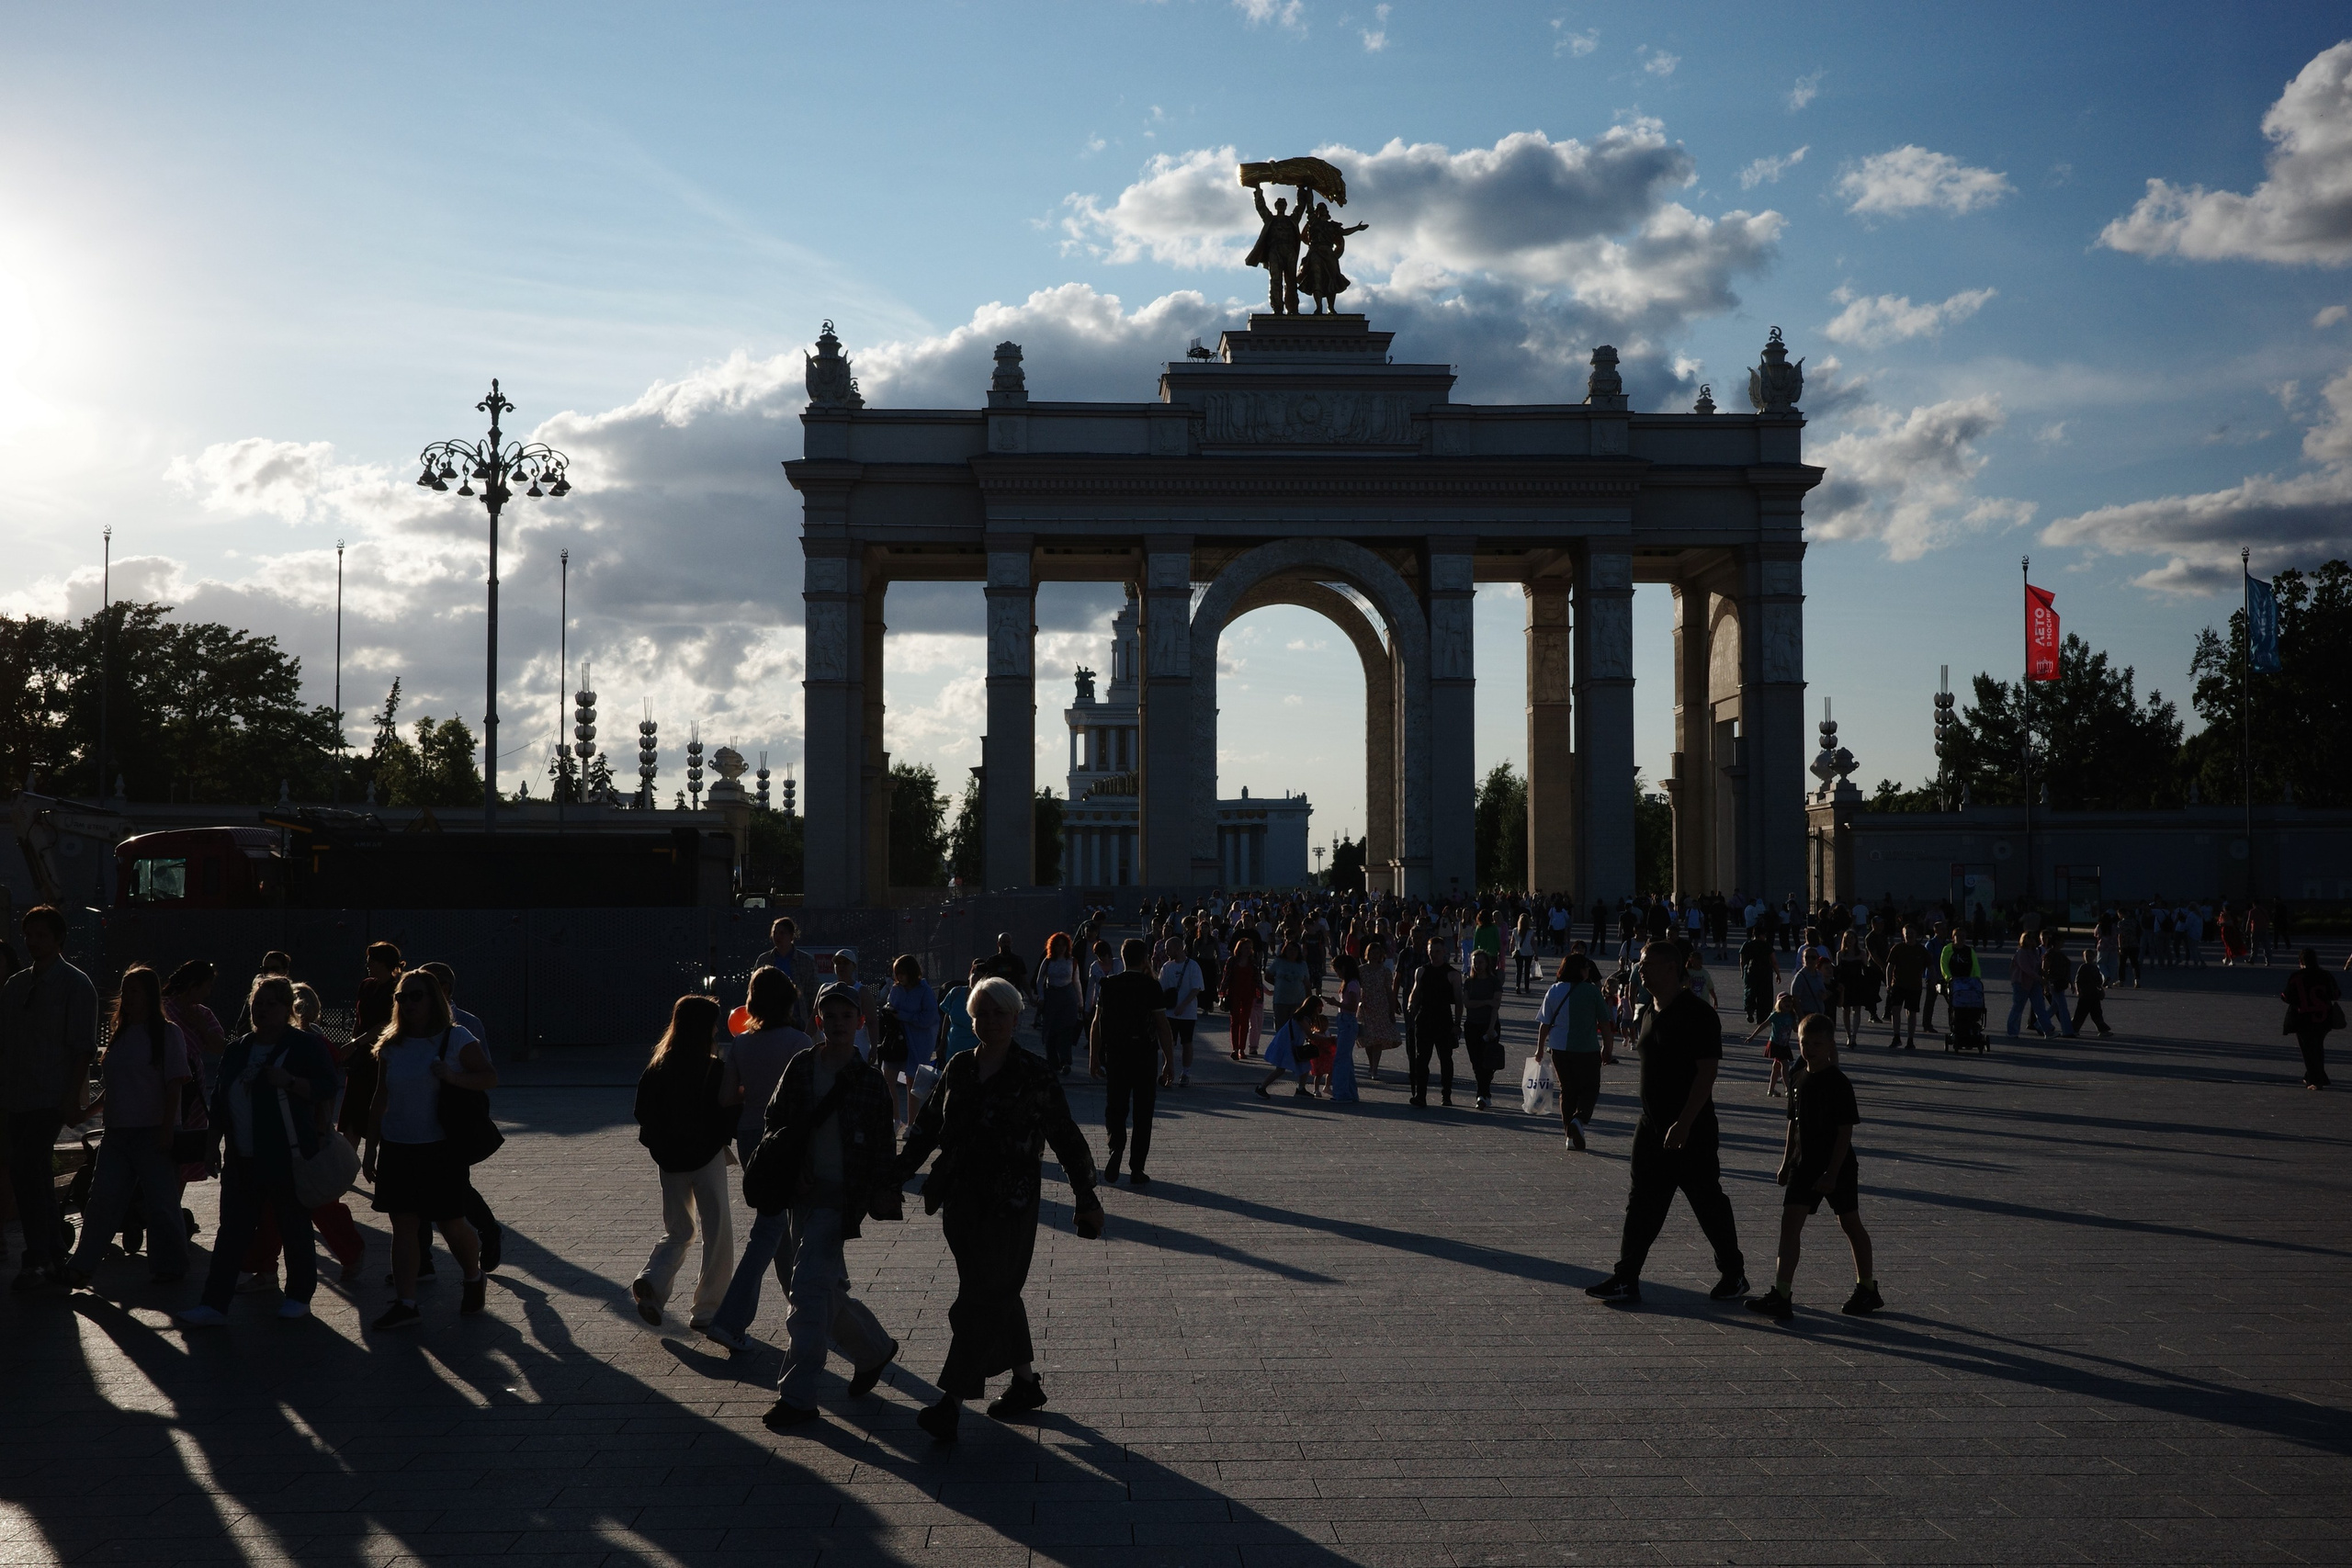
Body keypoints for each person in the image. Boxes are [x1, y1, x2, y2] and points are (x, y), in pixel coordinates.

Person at [897, 976, 1105, 1443]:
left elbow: (1065, 1136)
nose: (990, 1021)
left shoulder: (1035, 1072)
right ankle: (1026, 1384)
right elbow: (927, 1127)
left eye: (999, 1013)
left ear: (1016, 1017)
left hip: (1011, 1202)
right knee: (993, 1291)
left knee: (979, 1299)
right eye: (981, 1013)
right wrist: (894, 1176)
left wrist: (1086, 1196)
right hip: (960, 1201)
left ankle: (950, 1402)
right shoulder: (958, 1067)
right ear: (970, 1019)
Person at [757, 981, 902, 1429]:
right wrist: (791, 1160)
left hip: (839, 1201)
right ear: (818, 1022)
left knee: (805, 1292)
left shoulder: (869, 1081)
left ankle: (798, 1396)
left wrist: (883, 1194)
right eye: (830, 1016)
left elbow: (883, 1143)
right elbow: (774, 1119)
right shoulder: (801, 1066)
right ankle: (874, 1349)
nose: (839, 1024)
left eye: (847, 1016)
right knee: (822, 1291)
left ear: (860, 1022)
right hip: (801, 1195)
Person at [1584, 940, 1747, 1308]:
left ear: (1673, 968)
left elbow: (1707, 1074)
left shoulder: (1698, 1014)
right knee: (1641, 1203)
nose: (1641, 969)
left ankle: (1734, 1273)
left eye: (1648, 964)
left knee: (1707, 1202)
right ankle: (1626, 1278)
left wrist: (1685, 1123)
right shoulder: (1647, 1012)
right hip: (1651, 1127)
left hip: (1692, 1129)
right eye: (1641, 963)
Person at [172, 976, 341, 1326]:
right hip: (241, 1156)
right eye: (258, 1003)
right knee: (232, 1231)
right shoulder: (238, 1048)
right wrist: (211, 1145)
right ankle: (214, 1304)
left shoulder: (304, 1046)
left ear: (288, 1009)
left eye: (271, 1004)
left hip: (286, 1155)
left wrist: (292, 1082)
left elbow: (328, 1085)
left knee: (293, 1226)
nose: (262, 1010)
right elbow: (220, 1100)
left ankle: (298, 1296)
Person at [361, 967, 494, 1330]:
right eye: (401, 997)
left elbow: (488, 1077)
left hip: (440, 1147)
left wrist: (453, 1077)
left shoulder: (455, 1038)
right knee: (403, 1225)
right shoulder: (392, 1044)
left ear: (433, 998)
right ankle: (406, 1303)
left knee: (450, 1222)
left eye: (415, 996)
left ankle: (472, 1275)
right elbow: (380, 1097)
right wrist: (370, 1148)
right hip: (397, 1146)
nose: (407, 1003)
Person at [701, 969, 814, 1352]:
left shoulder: (742, 1044)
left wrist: (755, 1088)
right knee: (769, 1229)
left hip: (751, 1137)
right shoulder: (800, 1041)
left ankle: (800, 1305)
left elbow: (725, 1097)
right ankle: (730, 1320)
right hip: (789, 1138)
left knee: (777, 1225)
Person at [56, 965, 190, 1288]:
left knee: (161, 1203)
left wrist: (168, 1127)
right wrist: (89, 1111)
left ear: (149, 994)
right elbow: (115, 1086)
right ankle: (83, 1265)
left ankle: (169, 1264)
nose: (128, 996)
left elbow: (175, 1084)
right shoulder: (121, 1035)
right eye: (125, 990)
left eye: (134, 990)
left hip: (152, 1130)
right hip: (117, 1132)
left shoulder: (167, 1034)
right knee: (101, 1200)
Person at [1746, 1013, 1882, 1321]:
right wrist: (1785, 1163)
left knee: (1849, 1224)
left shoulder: (1838, 1082)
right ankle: (1781, 1294)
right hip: (1802, 1164)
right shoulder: (1797, 1076)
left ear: (1830, 1044)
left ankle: (1867, 1287)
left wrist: (1832, 1173)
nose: (1809, 1049)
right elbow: (1793, 1123)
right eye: (1805, 1042)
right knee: (1789, 1225)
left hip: (1837, 1165)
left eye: (1817, 1044)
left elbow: (1845, 1131)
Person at [629, 995, 741, 1331]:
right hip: (706, 1157)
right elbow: (728, 1111)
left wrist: (660, 1147)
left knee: (679, 1230)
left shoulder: (658, 1067)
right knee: (717, 1231)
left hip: (670, 1161)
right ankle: (707, 1310)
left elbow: (642, 1114)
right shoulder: (713, 1068)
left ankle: (652, 1280)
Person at [0, 906, 97, 1291]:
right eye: (29, 935)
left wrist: (72, 1098)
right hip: (15, 1094)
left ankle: (39, 1255)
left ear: (58, 939)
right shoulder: (16, 986)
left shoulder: (76, 985)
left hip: (50, 1094)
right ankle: (50, 1252)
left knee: (27, 1164)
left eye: (41, 935)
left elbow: (82, 1048)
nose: (33, 942)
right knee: (31, 1171)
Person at [1091, 939, 1175, 1183]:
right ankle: (1137, 1168)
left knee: (1115, 1106)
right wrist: (1169, 1060)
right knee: (1143, 1111)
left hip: (1116, 1054)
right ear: (1145, 958)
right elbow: (1162, 1026)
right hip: (1144, 1054)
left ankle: (1116, 1145)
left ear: (1123, 957)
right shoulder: (1151, 986)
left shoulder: (1108, 984)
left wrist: (1094, 1057)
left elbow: (1097, 1023)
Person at [1536, 953, 1611, 1150]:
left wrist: (1540, 1049)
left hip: (1560, 1049)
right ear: (1580, 970)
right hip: (1587, 1048)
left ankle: (1569, 1136)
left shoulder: (1554, 990)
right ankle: (1579, 1120)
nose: (1589, 971)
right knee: (1590, 1088)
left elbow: (1544, 1023)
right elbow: (1605, 1024)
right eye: (1586, 968)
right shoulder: (1593, 992)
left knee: (1568, 1091)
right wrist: (1608, 1048)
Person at [341, 942, 400, 1146]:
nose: (368, 964)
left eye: (372, 960)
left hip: (380, 1055)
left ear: (383, 963)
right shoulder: (366, 985)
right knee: (351, 1114)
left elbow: (386, 1023)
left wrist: (356, 1043)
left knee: (377, 1112)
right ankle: (346, 1170)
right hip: (359, 1057)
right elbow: (360, 1019)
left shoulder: (396, 988)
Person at [1404, 937, 1464, 1109]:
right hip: (1423, 1019)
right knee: (1421, 1059)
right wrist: (1410, 1004)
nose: (1434, 955)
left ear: (1444, 952)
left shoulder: (1452, 974)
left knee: (1445, 1059)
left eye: (1437, 951)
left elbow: (1459, 1001)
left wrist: (1457, 1024)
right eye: (1431, 952)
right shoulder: (1421, 971)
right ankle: (1420, 1095)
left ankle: (1447, 1095)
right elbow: (1414, 992)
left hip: (1444, 1020)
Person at [881, 955, 938, 1123]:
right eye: (896, 973)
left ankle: (912, 1124)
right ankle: (896, 1119)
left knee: (912, 1082)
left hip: (918, 1042)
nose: (899, 977)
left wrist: (904, 1016)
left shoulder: (924, 991)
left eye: (902, 973)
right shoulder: (896, 989)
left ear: (911, 973)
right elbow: (890, 1004)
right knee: (888, 1077)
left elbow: (928, 1018)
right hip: (896, 1041)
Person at [2282, 951, 2341, 1090]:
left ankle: (2315, 1080)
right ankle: (2313, 1076)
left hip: (2304, 1017)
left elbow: (2286, 997)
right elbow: (2336, 994)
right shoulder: (2325, 975)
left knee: (2308, 1049)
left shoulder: (2296, 977)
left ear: (2301, 962)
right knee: (2317, 1046)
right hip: (2324, 1016)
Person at [1256, 992, 1331, 1100]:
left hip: (1291, 1045)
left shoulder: (1303, 1017)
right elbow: (1310, 1035)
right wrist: (1328, 1039)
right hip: (1285, 1045)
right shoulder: (1301, 1018)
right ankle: (1261, 1088)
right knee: (1280, 1069)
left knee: (1305, 1065)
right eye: (1318, 1009)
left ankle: (1301, 1089)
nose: (1318, 1013)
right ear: (1313, 1008)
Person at [754, 918, 823, 1030]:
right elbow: (755, 990)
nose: (777, 936)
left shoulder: (806, 960)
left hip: (798, 1019)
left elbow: (813, 994)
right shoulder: (764, 959)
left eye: (782, 933)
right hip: (768, 1019)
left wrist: (812, 1022)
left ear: (791, 936)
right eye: (775, 933)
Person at [1034, 934, 1085, 1077]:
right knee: (1051, 1030)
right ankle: (1053, 1062)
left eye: (1063, 945)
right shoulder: (1048, 961)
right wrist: (1042, 997)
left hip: (1068, 997)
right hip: (1052, 996)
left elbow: (1076, 982)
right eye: (1058, 945)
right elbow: (1040, 980)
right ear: (1053, 946)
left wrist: (1081, 1002)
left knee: (1066, 1030)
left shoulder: (1072, 962)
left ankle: (1065, 1061)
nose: (1061, 948)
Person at [1157, 938, 1204, 1089]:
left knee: (1187, 1042)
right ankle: (1168, 1070)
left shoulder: (1193, 966)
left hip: (1188, 1013)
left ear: (1178, 948)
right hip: (1170, 1013)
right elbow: (1161, 989)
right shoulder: (1166, 967)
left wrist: (1183, 1005)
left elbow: (1196, 988)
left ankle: (1186, 1073)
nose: (1166, 951)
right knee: (1169, 1043)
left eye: (1168, 948)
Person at [1462, 950, 1506, 1110]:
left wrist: (1490, 1028)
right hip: (1472, 1025)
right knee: (1476, 1062)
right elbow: (1467, 1003)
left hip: (1490, 1026)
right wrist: (1486, 1001)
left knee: (1487, 1062)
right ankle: (1485, 1094)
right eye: (1474, 962)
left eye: (1480, 962)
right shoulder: (1469, 982)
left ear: (1487, 963)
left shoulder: (1494, 982)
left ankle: (1481, 1095)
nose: (1477, 965)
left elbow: (1496, 1006)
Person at [1746, 990, 1800, 1099]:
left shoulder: (1791, 1015)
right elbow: (1763, 1025)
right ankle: (1787, 1089)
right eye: (1785, 1001)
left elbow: (1795, 1029)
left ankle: (1770, 1090)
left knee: (1776, 1067)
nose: (1788, 1003)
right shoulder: (1775, 1015)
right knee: (1784, 1065)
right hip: (1775, 1044)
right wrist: (1752, 1036)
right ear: (1779, 1003)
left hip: (1784, 1045)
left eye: (1789, 1001)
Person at [1883, 924, 1929, 1050]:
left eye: (1911, 933)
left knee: (1912, 1013)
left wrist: (1933, 981)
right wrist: (1888, 984)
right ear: (1903, 935)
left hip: (1915, 986)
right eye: (1907, 933)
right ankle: (1896, 1037)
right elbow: (1890, 967)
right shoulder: (1897, 948)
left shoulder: (1921, 950)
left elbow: (1931, 966)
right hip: (1898, 984)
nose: (1909, 935)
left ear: (1916, 935)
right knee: (1895, 1010)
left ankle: (1910, 1040)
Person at [1357, 940, 1396, 1083]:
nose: (1374, 956)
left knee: (1378, 1039)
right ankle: (1371, 1064)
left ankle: (1375, 1068)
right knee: (1368, 1039)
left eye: (1377, 953)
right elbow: (1355, 988)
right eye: (1371, 953)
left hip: (1380, 1006)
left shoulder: (1384, 971)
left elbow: (1389, 991)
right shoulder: (1361, 970)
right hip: (1366, 1007)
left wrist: (1392, 1010)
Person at [1329, 953, 1363, 1104]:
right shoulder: (1349, 983)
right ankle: (1350, 1093)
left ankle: (1342, 1093)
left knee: (1341, 1059)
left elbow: (1353, 1006)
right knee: (1346, 1059)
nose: (1337, 974)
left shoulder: (1353, 984)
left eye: (1337, 970)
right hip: (1344, 1021)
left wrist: (1337, 1004)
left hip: (1348, 1021)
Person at [2006, 934, 2055, 1040]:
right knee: (2018, 1008)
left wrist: (2043, 973)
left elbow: (2037, 965)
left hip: (2034, 984)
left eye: (2032, 938)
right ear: (2023, 940)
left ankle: (2048, 1031)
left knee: (2040, 1008)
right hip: (2021, 983)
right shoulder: (2021, 952)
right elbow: (2026, 969)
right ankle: (2012, 1031)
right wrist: (2039, 978)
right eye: (2027, 938)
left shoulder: (2034, 952)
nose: (2030, 940)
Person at [1222, 937, 1262, 1061]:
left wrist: (1259, 994)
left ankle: (1242, 1049)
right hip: (1234, 993)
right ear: (1239, 948)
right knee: (1235, 1021)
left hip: (1248, 994)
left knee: (1244, 1021)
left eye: (1250, 948)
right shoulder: (1232, 961)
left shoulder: (1253, 962)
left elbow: (1258, 979)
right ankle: (1235, 1048)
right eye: (1245, 948)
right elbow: (1226, 977)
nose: (1248, 950)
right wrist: (1222, 993)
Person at [1738, 922, 1780, 1026]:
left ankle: (1750, 1010)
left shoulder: (1747, 945)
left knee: (1750, 991)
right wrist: (1778, 973)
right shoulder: (1766, 945)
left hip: (1750, 971)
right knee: (1765, 995)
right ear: (1762, 935)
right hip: (1765, 972)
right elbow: (1774, 961)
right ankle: (1762, 1018)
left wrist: (1742, 972)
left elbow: (1742, 961)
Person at [1267, 940, 1311, 1037]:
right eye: (1290, 950)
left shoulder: (1302, 964)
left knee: (1295, 1028)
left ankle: (1294, 1049)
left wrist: (1309, 1002)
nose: (1292, 952)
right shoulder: (1279, 962)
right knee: (1281, 1028)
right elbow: (1268, 976)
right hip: (1281, 1001)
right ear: (1285, 950)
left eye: (1295, 950)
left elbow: (1307, 984)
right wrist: (1278, 984)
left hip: (1298, 1001)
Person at [2073, 949, 2113, 1039]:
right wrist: (2078, 991)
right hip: (2085, 995)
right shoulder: (2083, 967)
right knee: (2080, 1013)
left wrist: (2101, 989)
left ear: (2094, 957)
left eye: (2090, 956)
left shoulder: (2095, 968)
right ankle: (2074, 1029)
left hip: (2094, 995)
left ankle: (2103, 1030)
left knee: (2097, 1013)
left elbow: (2098, 982)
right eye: (2086, 956)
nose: (2089, 958)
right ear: (2084, 957)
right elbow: (2077, 981)